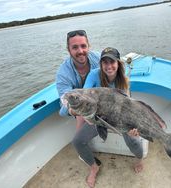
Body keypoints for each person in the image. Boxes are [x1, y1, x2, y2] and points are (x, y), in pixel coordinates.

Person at [73, 47, 144, 187]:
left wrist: (132, 127)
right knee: (77, 141)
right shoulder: (94, 75)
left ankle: (140, 159)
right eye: (104, 62)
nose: (108, 66)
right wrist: (79, 111)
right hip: (98, 118)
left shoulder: (123, 80)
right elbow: (84, 95)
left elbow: (127, 107)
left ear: (118, 63)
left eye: (112, 62)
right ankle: (94, 167)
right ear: (100, 64)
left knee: (134, 141)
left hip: (119, 118)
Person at [55, 30, 101, 188]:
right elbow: (64, 101)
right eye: (75, 47)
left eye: (83, 46)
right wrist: (74, 110)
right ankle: (93, 167)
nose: (80, 51)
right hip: (80, 107)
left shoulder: (99, 58)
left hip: (101, 102)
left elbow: (117, 70)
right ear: (68, 50)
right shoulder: (63, 73)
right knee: (78, 138)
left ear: (89, 46)